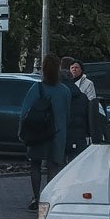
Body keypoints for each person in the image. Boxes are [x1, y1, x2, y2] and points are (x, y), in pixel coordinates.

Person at [19, 54, 70, 210]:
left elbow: (25, 112)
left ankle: (36, 197)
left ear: (43, 69)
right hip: (57, 134)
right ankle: (49, 199)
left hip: (37, 133)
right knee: (53, 166)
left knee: (35, 164)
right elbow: (67, 115)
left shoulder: (36, 88)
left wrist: (21, 131)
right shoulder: (65, 91)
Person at [59, 55, 93, 162]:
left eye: (76, 67)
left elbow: (91, 100)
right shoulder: (78, 94)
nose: (74, 69)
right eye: (72, 67)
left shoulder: (87, 84)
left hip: (67, 131)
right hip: (77, 132)